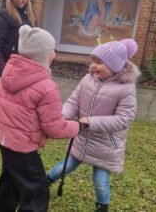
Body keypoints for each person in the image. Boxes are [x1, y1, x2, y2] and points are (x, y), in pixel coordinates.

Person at [0, 25, 80, 211]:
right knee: (37, 191)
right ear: (45, 54)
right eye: (54, 49)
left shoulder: (7, 73)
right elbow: (54, 127)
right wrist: (78, 127)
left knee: (10, 181)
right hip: (23, 149)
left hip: (5, 141)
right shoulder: (47, 87)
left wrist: (10, 118)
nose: (55, 52)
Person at [47, 39, 140, 212]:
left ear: (115, 65)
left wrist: (92, 121)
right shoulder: (87, 79)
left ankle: (102, 207)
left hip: (106, 144)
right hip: (82, 138)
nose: (94, 66)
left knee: (100, 181)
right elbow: (74, 101)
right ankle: (44, 184)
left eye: (99, 62)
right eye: (93, 61)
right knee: (65, 166)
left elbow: (124, 118)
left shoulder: (126, 88)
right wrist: (61, 115)